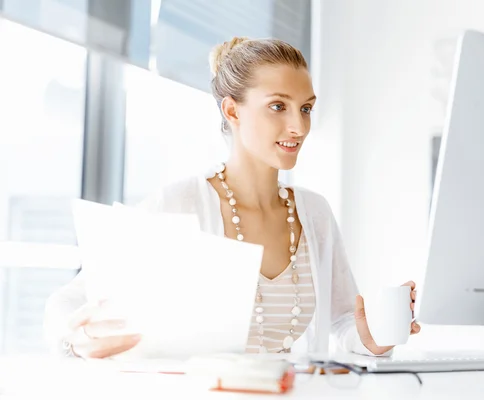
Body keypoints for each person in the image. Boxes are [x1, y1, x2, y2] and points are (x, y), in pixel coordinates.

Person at [43, 37, 421, 359]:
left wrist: (373, 338)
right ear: (231, 109)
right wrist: (76, 341)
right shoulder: (180, 203)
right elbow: (66, 303)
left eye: (306, 108)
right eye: (279, 106)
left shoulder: (314, 213)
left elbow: (342, 323)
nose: (299, 126)